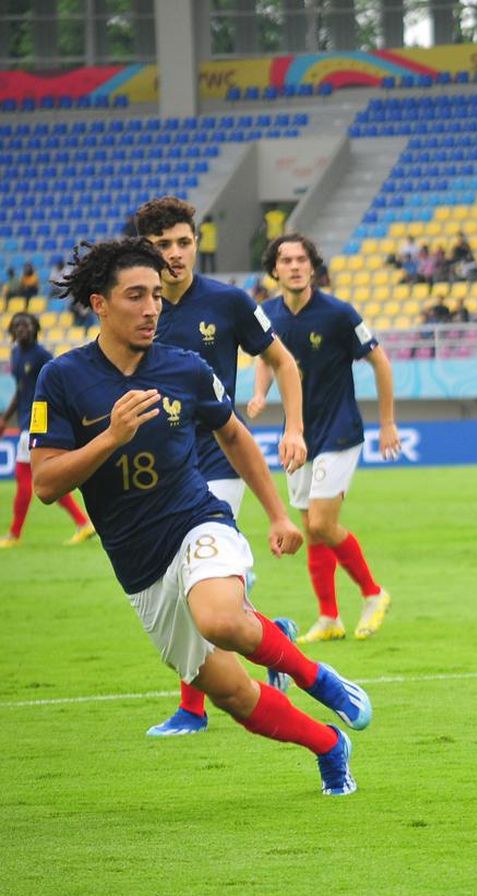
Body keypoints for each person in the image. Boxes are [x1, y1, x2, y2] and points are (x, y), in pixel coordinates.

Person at [31, 237, 371, 795]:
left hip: (197, 521)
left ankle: (322, 680)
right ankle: (329, 745)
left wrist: (278, 514)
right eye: (135, 296)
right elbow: (46, 484)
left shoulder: (184, 368)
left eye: (156, 297)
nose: (150, 309)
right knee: (233, 695)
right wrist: (111, 438)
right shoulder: (62, 379)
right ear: (99, 304)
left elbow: (233, 436)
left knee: (219, 618)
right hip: (139, 566)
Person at [134, 195, 308, 737]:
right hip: (161, 468)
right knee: (187, 589)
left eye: (184, 242)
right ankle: (267, 631)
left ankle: (192, 709)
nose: (176, 253)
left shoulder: (229, 302)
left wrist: (294, 427)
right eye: (163, 245)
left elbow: (281, 359)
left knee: (189, 581)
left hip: (217, 460)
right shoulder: (136, 311)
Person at [251, 233, 400, 643]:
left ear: (312, 267)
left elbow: (380, 362)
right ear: (275, 269)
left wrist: (387, 422)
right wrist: (261, 392)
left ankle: (373, 593)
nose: (295, 266)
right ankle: (329, 617)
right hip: (298, 434)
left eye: (302, 259)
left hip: (340, 429)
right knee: (309, 528)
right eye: (286, 260)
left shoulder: (338, 313)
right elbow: (267, 356)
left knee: (320, 522)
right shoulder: (265, 314)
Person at [0, 312, 95, 548]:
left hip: (36, 424)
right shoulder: (15, 354)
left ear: (35, 329)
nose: (23, 329)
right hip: (23, 422)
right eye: (18, 325)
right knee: (48, 481)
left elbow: (53, 389)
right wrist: (6, 418)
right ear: (12, 330)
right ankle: (83, 523)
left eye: (27, 325)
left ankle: (14, 534)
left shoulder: (42, 356)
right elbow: (21, 391)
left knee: (25, 478)